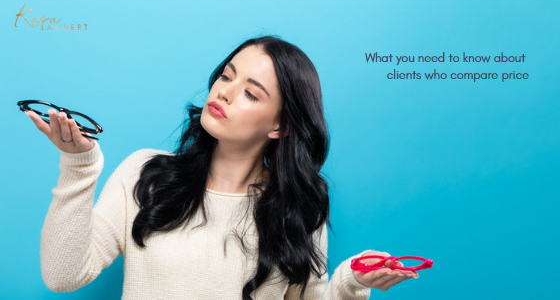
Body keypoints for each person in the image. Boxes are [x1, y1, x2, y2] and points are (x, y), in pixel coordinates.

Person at [26, 35, 419, 300]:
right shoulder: (145, 174)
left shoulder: (298, 207)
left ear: (280, 125)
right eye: (227, 75)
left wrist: (350, 282)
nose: (225, 92)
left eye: (250, 93)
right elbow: (63, 276)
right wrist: (79, 165)